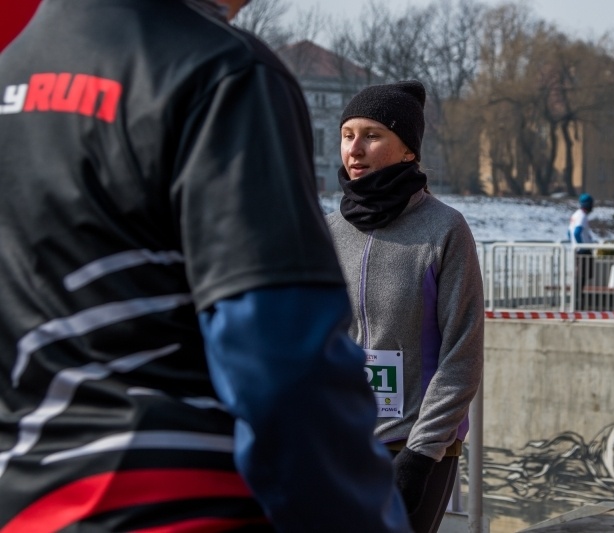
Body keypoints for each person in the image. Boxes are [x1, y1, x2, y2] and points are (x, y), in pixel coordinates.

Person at [0, 1, 409, 531]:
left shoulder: (14, 70)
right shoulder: (222, 72)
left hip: (29, 502)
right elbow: (282, 360)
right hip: (179, 500)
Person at [326, 80, 485, 533]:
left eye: (372, 135)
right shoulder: (327, 231)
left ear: (408, 151)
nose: (354, 149)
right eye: (347, 134)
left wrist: (420, 455)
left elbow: (463, 352)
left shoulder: (445, 230)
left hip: (417, 446)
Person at [568, 193, 596, 308]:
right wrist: (581, 245)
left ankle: (577, 300)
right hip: (583, 251)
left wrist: (573, 244)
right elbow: (576, 232)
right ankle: (578, 301)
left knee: (581, 276)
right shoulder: (582, 216)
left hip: (578, 250)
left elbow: (569, 233)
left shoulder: (575, 215)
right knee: (582, 277)